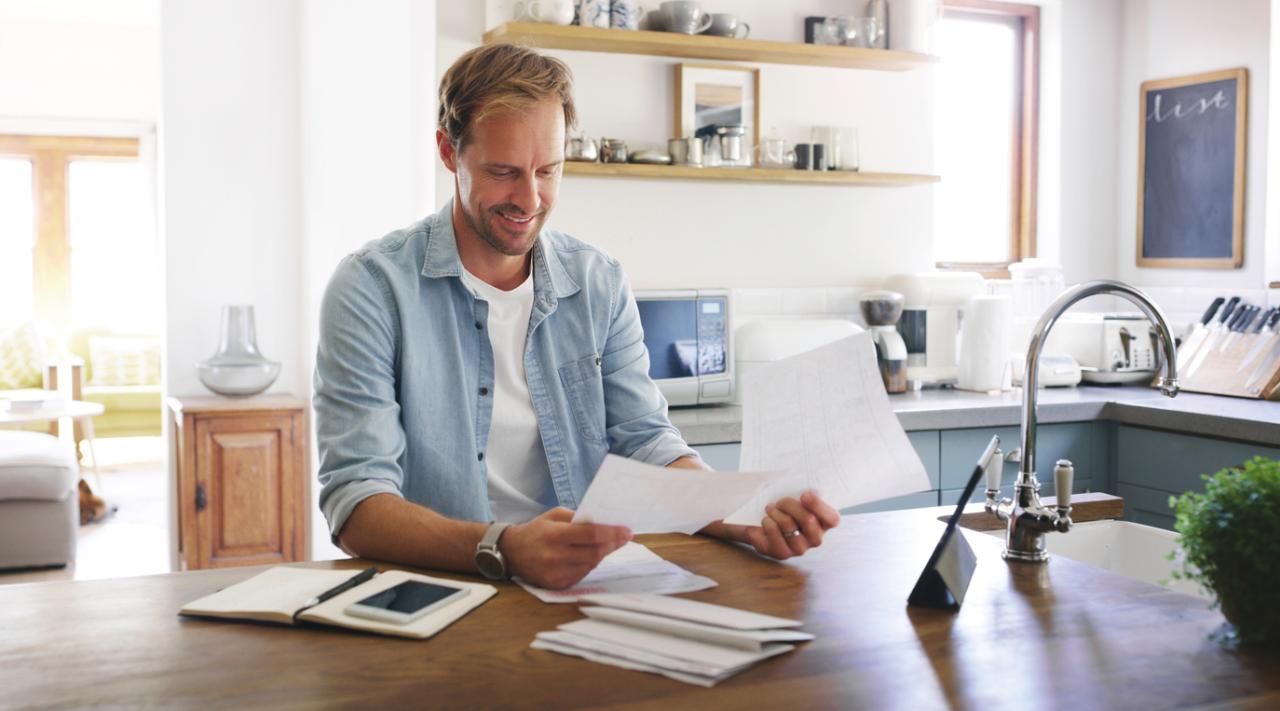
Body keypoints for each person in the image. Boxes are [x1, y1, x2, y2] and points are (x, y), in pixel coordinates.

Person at [314, 43, 840, 591]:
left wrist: (746, 517)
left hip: (581, 588)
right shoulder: (371, 289)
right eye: (503, 172)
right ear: (449, 151)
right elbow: (357, 504)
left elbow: (646, 442)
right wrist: (505, 548)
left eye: (549, 170)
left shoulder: (598, 282)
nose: (530, 197)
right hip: (437, 592)